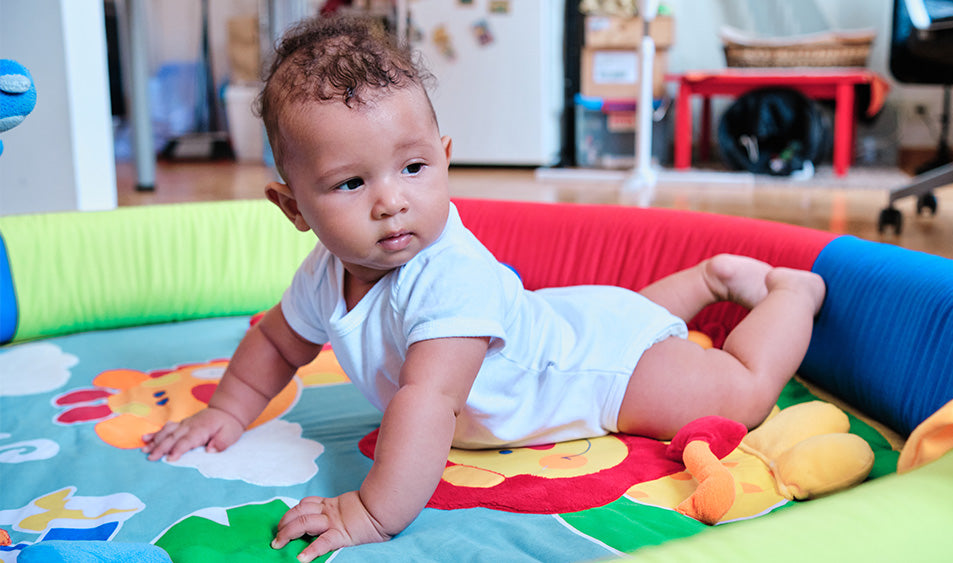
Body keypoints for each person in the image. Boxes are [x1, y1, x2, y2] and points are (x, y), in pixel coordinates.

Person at [142, 13, 826, 562]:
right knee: (622, 317)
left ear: (444, 157)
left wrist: (369, 510)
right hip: (561, 325)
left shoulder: (450, 279)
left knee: (734, 391)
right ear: (294, 208)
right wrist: (226, 411)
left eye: (412, 167)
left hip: (592, 374)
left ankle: (790, 295)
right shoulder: (325, 273)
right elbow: (275, 342)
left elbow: (429, 399)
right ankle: (705, 281)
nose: (391, 202)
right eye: (351, 183)